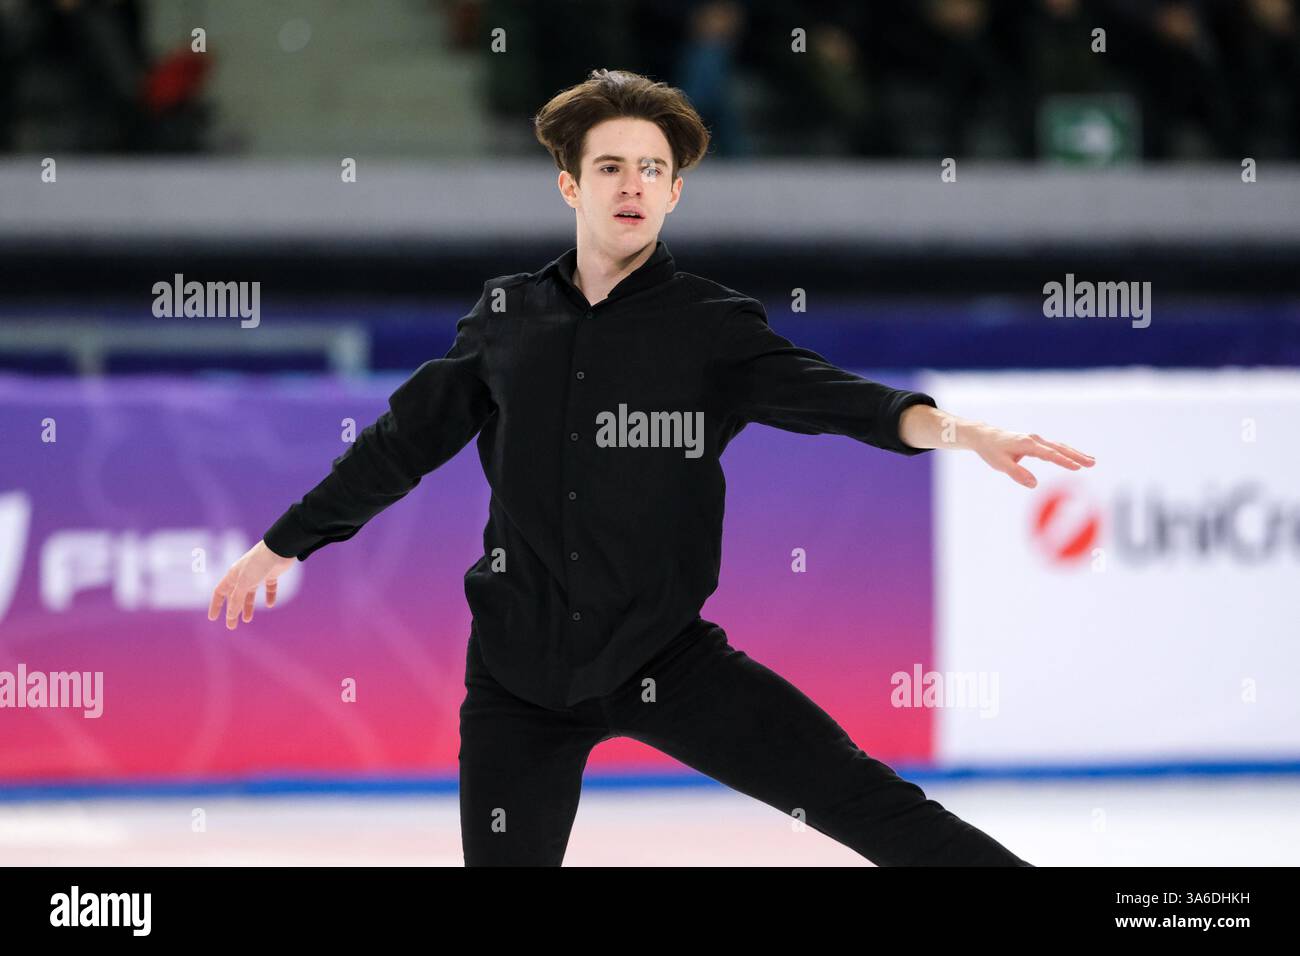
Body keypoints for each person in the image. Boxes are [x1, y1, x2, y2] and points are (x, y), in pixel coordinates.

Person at [208, 69, 1095, 866]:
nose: (631, 183)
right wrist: (286, 543)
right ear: (571, 185)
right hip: (518, 677)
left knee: (866, 803)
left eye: (651, 169)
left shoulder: (708, 327)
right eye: (609, 166)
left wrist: (955, 430)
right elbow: (402, 442)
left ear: (674, 193)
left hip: (664, 659)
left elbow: (835, 399)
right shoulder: (507, 318)